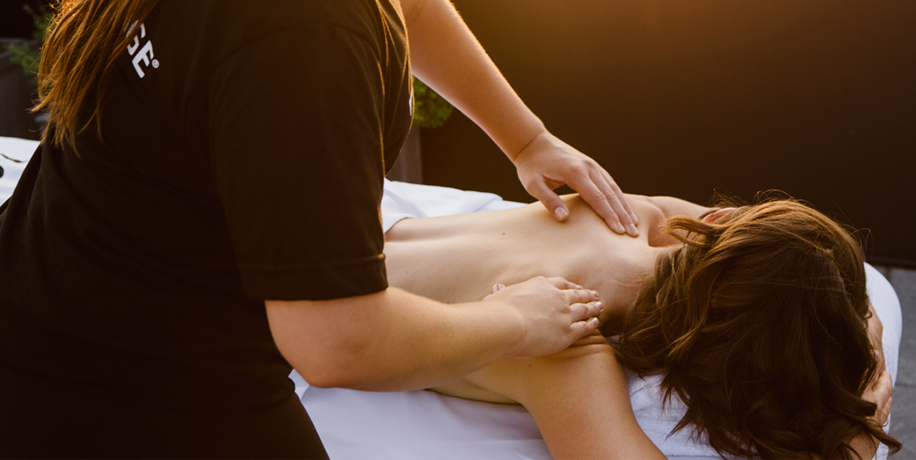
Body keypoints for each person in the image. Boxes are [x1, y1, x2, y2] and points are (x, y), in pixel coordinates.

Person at [0, 0, 640, 457]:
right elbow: (335, 340)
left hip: (47, 277)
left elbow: (406, 8)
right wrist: (518, 322)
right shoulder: (304, 33)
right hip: (115, 394)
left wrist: (526, 138)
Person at [376, 192, 901, 460]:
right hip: (333, 318)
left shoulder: (632, 219)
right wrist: (854, 446)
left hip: (368, 235)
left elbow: (755, 247)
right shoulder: (563, 337)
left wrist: (860, 331)